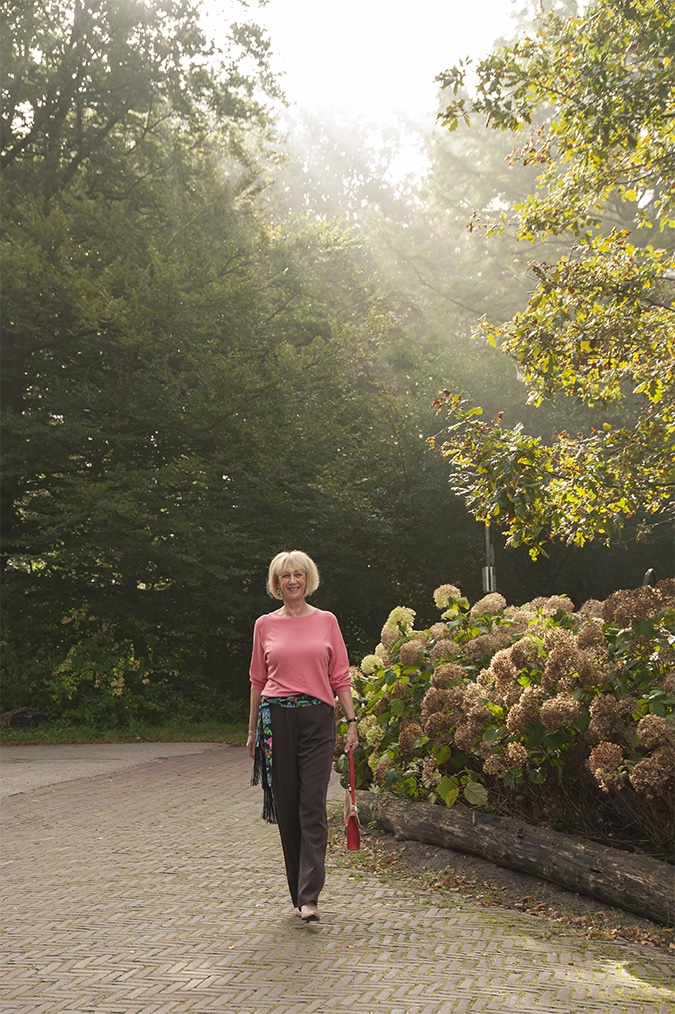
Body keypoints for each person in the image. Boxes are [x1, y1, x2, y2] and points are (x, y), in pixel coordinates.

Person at [247, 550, 359, 923]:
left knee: (312, 805)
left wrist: (352, 720)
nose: (292, 581)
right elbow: (257, 680)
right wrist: (251, 730)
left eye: (298, 574)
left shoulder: (327, 621)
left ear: (308, 579)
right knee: (288, 807)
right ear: (276, 584)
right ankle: (298, 891)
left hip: (317, 719)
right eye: (285, 576)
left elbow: (340, 674)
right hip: (275, 719)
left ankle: (310, 895)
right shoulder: (264, 625)